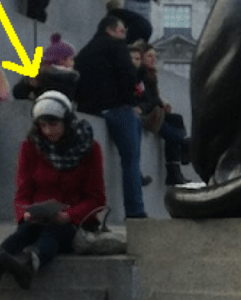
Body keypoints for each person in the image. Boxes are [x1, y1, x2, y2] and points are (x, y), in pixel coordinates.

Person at [0, 91, 106, 290]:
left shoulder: (90, 148)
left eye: (53, 124)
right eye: (43, 125)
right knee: (24, 233)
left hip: (74, 222)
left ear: (67, 121)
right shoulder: (31, 146)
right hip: (37, 217)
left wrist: (69, 215)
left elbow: (96, 198)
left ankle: (28, 265)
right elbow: (23, 191)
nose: (48, 131)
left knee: (53, 233)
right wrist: (25, 213)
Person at [74, 15, 147, 218]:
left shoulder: (83, 53)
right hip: (118, 109)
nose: (124, 36)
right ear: (110, 30)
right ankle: (135, 211)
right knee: (131, 161)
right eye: (121, 31)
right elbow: (128, 76)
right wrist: (130, 101)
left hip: (91, 111)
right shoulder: (117, 47)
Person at [135, 42, 190, 185]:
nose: (153, 59)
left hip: (152, 110)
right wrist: (159, 104)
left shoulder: (151, 75)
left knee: (177, 119)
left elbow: (152, 99)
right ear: (142, 58)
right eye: (149, 56)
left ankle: (175, 169)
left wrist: (162, 104)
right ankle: (184, 146)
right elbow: (145, 99)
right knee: (170, 131)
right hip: (146, 113)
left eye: (155, 56)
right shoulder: (140, 74)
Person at [13, 33, 79, 101]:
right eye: (71, 59)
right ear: (62, 60)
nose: (73, 63)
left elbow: (18, 92)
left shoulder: (37, 76)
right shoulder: (69, 79)